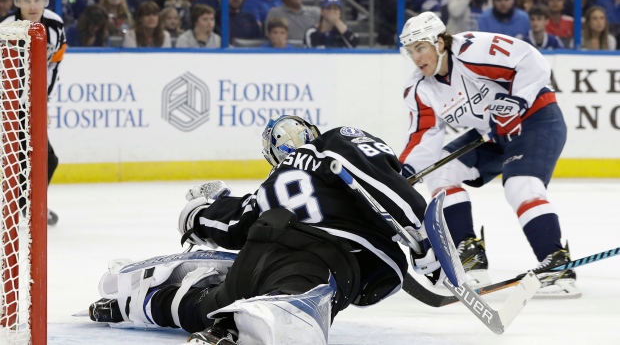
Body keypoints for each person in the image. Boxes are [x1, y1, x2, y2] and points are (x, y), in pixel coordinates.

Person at [88, 115, 435, 344]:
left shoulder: (268, 187)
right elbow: (385, 184)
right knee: (293, 318)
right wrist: (425, 238)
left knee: (201, 307)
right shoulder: (336, 141)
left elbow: (233, 225)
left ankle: (139, 302)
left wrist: (199, 214)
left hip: (255, 254)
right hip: (321, 260)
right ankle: (238, 325)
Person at [398, 12, 580, 297]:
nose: (416, 57)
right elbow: (424, 136)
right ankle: (469, 253)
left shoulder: (472, 50)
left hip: (535, 118)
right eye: (410, 51)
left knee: (520, 185)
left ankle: (556, 265)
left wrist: (515, 101)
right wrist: (403, 172)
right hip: (492, 132)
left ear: (440, 43)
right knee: (440, 171)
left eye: (420, 47)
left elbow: (529, 60)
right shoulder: (421, 88)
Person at [1, 0, 65, 226]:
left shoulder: (55, 25)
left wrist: (42, 103)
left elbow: (53, 67)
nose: (33, 6)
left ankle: (29, 203)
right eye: (26, 0)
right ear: (17, 2)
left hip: (30, 104)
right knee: (22, 158)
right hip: (7, 103)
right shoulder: (6, 28)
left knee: (46, 159)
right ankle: (26, 203)